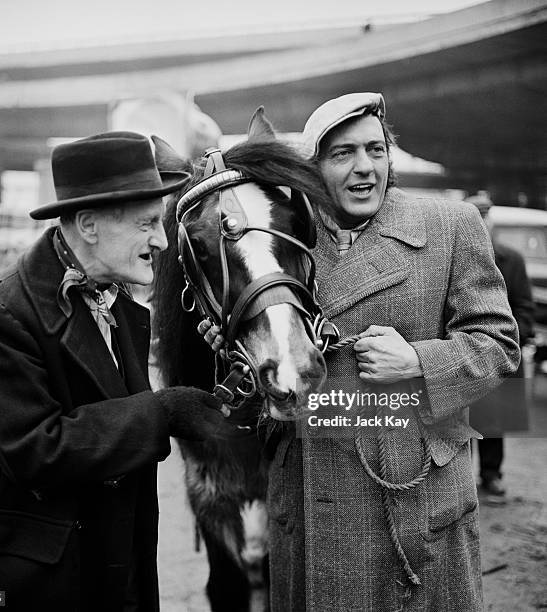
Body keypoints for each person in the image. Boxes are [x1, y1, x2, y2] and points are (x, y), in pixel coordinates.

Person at [201, 93, 520, 611]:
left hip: (415, 497)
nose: (364, 167)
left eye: (376, 149)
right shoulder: (281, 238)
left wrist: (419, 362)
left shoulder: (450, 226)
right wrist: (235, 357)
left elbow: (500, 347)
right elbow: (263, 369)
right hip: (309, 500)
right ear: (313, 168)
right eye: (342, 154)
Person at [0, 132, 238, 612]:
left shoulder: (118, 300)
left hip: (114, 567)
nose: (162, 241)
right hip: (33, 587)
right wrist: (163, 411)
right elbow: (35, 451)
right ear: (88, 225)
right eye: (147, 224)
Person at [466, 192, 534, 504]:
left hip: (499, 355)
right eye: (475, 217)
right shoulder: (454, 260)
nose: (482, 224)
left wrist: (504, 344)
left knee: (494, 421)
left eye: (485, 217)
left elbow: (524, 310)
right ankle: (460, 479)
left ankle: (491, 475)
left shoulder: (512, 260)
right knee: (458, 421)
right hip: (462, 355)